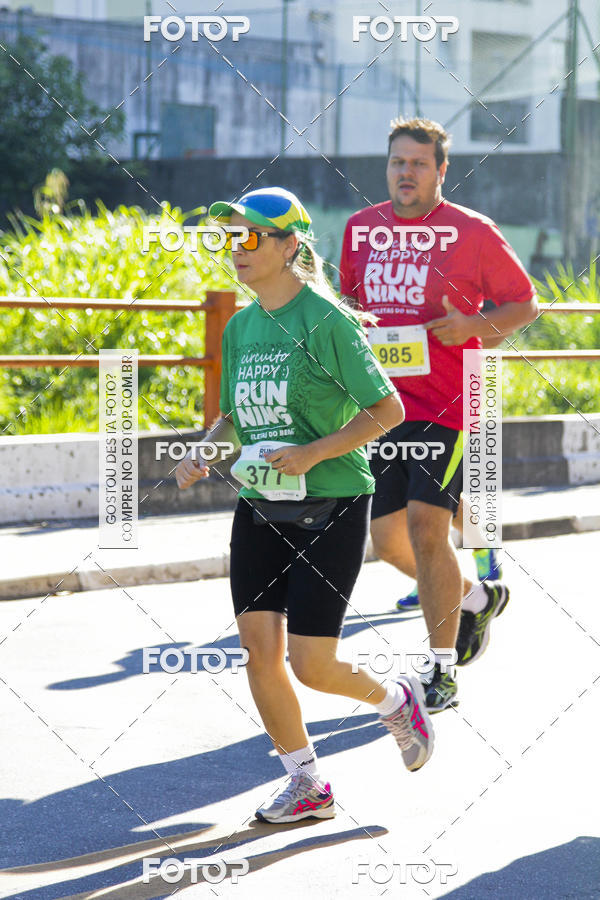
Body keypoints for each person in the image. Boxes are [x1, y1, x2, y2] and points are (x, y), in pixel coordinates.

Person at [175, 186, 434, 825]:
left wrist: (316, 452)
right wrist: (206, 449)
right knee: (258, 651)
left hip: (334, 500)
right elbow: (236, 415)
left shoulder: (326, 321)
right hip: (262, 502)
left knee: (312, 664)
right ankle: (307, 783)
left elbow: (388, 411)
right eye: (231, 237)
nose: (237, 249)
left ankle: (396, 700)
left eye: (251, 237)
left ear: (290, 245)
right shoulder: (241, 324)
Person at [339, 118, 538, 713]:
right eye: (398, 162)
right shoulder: (360, 230)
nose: (407, 172)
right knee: (389, 543)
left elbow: (524, 303)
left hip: (448, 405)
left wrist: (474, 326)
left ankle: (441, 669)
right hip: (381, 407)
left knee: (429, 526)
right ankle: (476, 597)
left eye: (419, 164)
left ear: (441, 171)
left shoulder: (471, 232)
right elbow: (348, 304)